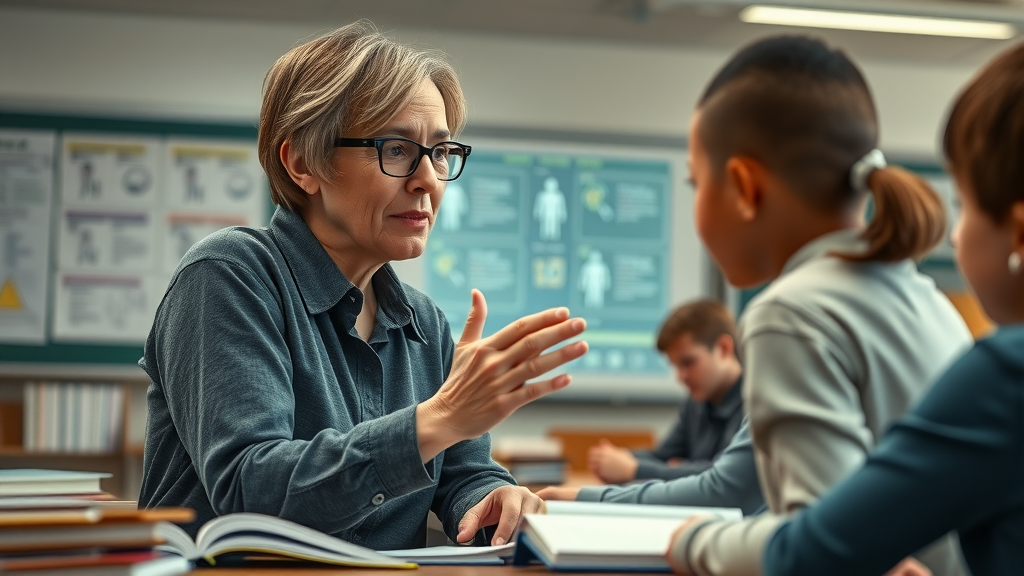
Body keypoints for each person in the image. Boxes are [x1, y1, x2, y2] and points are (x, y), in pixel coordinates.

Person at [137, 21, 588, 551]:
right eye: (396, 149)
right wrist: (435, 420)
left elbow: (463, 474)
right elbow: (249, 489)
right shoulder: (228, 274)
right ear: (303, 162)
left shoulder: (425, 323)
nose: (428, 179)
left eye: (440, 152)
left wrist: (495, 499)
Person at [661, 36, 973, 576]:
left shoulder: (791, 313)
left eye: (695, 182)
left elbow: (822, 550)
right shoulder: (926, 298)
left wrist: (697, 541)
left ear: (742, 186)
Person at [753, 39, 1024, 576]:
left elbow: (809, 555)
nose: (956, 234)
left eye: (964, 206)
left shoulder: (1007, 371)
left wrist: (693, 541)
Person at [585, 299, 744, 484]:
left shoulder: (753, 404)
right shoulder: (697, 402)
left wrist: (635, 469)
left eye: (688, 362)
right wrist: (619, 458)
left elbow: (722, 475)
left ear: (723, 348)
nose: (680, 377)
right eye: (676, 366)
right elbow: (663, 456)